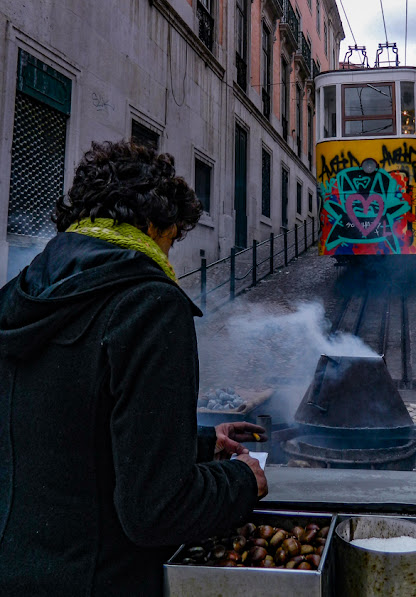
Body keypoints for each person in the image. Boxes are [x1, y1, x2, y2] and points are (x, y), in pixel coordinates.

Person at [0, 140, 268, 597]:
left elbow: (66, 435)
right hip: (102, 579)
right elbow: (156, 510)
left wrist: (201, 445)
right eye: (169, 240)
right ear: (151, 225)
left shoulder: (19, 294)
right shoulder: (149, 305)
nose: (169, 258)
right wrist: (242, 481)